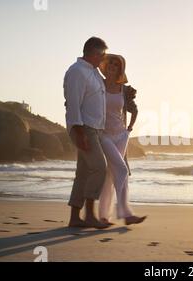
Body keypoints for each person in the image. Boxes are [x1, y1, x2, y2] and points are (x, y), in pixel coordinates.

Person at [63, 37, 109, 229]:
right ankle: (89, 215)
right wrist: (79, 133)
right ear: (94, 53)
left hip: (96, 129)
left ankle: (75, 218)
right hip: (84, 128)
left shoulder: (94, 72)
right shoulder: (77, 72)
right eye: (103, 54)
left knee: (83, 173)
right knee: (100, 167)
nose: (104, 59)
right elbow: (73, 104)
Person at [97, 54, 146, 225]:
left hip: (121, 136)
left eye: (115, 67)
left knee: (112, 174)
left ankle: (104, 216)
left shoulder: (123, 90)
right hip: (104, 135)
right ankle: (126, 214)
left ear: (119, 70)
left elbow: (134, 110)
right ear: (105, 69)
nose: (111, 69)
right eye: (109, 67)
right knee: (122, 169)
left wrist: (129, 129)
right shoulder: (98, 86)